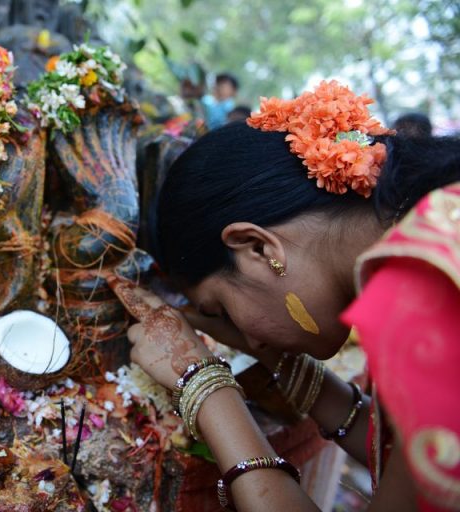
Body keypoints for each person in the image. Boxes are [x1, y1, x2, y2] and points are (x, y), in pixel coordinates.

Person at [108, 81, 460, 511]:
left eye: (223, 311)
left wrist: (203, 385)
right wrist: (287, 363)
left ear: (257, 248)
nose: (252, 342)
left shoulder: (422, 288)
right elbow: (413, 450)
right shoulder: (436, 231)